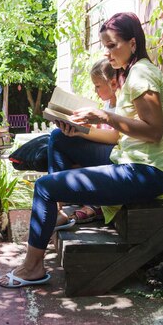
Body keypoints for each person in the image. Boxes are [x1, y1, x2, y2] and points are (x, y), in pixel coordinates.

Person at [0, 12, 163, 288]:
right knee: (59, 139)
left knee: (46, 188)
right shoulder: (132, 73)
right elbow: (121, 134)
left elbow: (154, 132)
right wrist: (81, 128)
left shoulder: (141, 75)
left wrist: (105, 117)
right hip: (128, 157)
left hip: (146, 172)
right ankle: (57, 214)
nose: (107, 53)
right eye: (104, 47)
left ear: (132, 43)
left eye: (112, 46)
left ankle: (33, 266)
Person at [54, 58, 119, 229]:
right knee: (58, 138)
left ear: (112, 83)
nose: (95, 90)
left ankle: (57, 207)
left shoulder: (121, 105)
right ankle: (58, 206)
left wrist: (84, 133)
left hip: (116, 156)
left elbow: (114, 137)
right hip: (104, 152)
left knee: (57, 138)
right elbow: (100, 132)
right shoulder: (106, 104)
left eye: (98, 86)